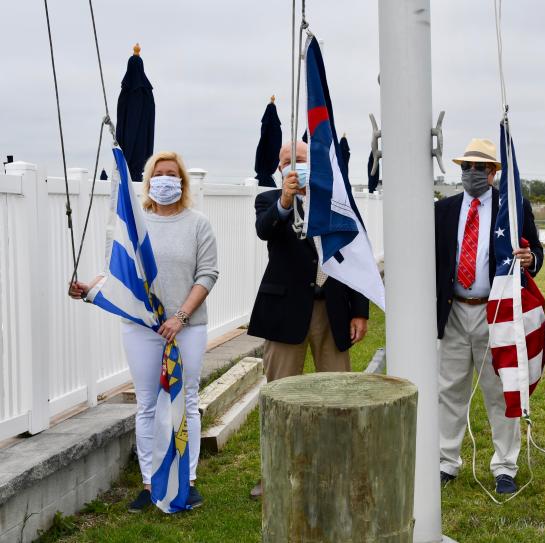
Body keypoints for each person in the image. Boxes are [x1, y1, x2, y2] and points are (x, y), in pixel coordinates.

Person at [69, 151, 219, 512]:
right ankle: (151, 481)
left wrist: (179, 317)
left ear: (181, 181)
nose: (165, 179)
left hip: (186, 328)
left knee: (187, 401)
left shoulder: (198, 224)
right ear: (148, 181)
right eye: (159, 173)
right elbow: (119, 273)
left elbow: (207, 275)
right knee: (148, 404)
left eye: (172, 174)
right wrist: (89, 289)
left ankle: (187, 480)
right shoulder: (136, 225)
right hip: (142, 329)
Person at [247, 140, 370, 498]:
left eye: (299, 160)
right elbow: (266, 229)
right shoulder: (268, 201)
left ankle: (338, 468)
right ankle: (275, 471)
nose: (292, 167)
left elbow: (355, 254)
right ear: (278, 169)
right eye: (286, 162)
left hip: (331, 310)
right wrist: (286, 201)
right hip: (285, 313)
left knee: (337, 392)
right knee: (280, 394)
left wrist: (359, 311)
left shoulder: (336, 204)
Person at [434, 138, 543, 494]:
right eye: (466, 166)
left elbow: (535, 254)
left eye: (480, 167)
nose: (472, 173)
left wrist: (531, 261)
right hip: (454, 310)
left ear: (495, 172)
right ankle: (446, 461)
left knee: (500, 389)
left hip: (495, 312)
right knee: (450, 388)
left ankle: (505, 467)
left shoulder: (512, 207)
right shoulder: (444, 210)